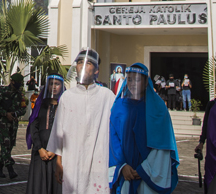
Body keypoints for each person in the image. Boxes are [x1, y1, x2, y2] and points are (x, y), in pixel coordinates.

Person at [47, 49, 116, 194]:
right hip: (72, 160)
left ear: (96, 70)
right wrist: (59, 162)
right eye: (79, 62)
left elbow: (117, 129)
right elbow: (59, 131)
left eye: (88, 63)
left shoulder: (107, 96)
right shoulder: (67, 96)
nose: (83, 66)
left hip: (99, 160)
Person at [108, 63, 179, 194]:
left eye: (137, 79)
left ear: (146, 82)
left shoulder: (158, 108)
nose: (133, 83)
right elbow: (113, 139)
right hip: (125, 172)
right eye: (129, 79)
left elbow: (163, 142)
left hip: (149, 173)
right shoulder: (118, 107)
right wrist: (122, 166)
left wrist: (144, 169)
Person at [26, 74, 64, 194]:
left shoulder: (65, 106)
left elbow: (67, 130)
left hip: (57, 155)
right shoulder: (40, 105)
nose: (54, 87)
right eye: (51, 84)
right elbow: (33, 126)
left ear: (62, 86)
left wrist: (56, 150)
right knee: (38, 185)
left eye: (57, 84)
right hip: (40, 153)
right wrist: (39, 148)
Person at [0, 72, 25, 178]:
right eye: (17, 83)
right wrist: (5, 114)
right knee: (5, 145)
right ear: (12, 82)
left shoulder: (20, 95)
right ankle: (10, 170)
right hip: (3, 123)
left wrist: (15, 114)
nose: (19, 85)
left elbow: (23, 109)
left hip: (13, 124)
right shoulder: (2, 91)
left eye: (20, 83)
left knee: (9, 147)